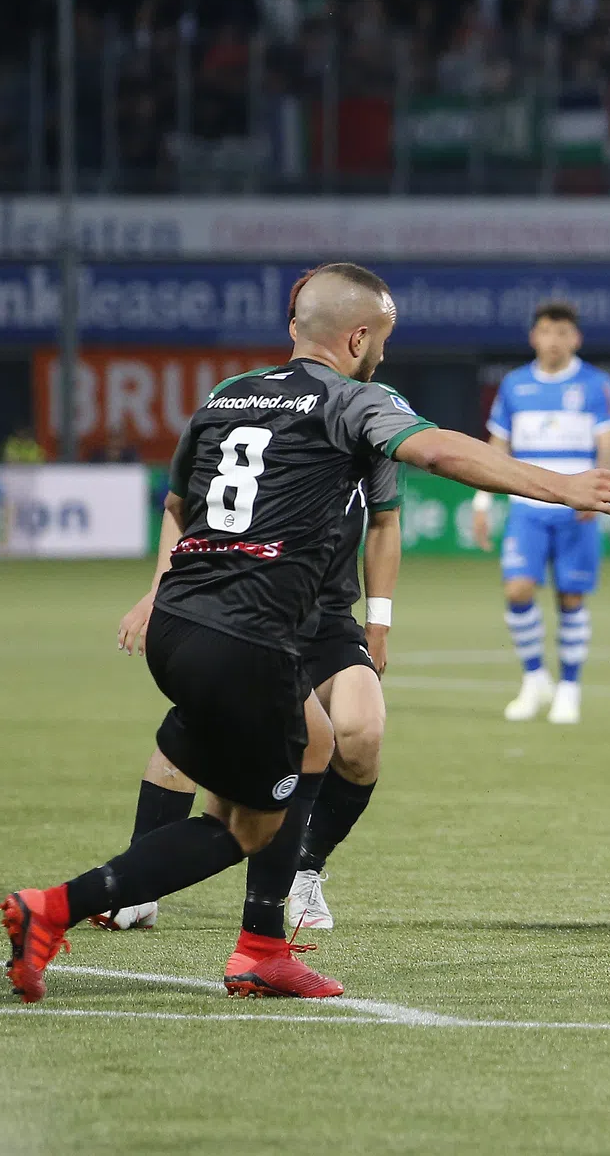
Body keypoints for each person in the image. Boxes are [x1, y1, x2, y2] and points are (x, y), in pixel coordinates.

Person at [0, 262, 610, 1004]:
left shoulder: (225, 397)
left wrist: (154, 592)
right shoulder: (351, 401)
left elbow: (179, 504)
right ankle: (58, 908)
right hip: (249, 631)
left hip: (181, 619)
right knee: (245, 824)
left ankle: (260, 947)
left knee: (316, 740)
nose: (384, 356)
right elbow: (439, 449)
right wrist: (560, 486)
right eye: (383, 342)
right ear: (359, 337)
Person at [99, 271, 405, 958]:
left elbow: (384, 519)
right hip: (249, 600)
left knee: (359, 733)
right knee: (205, 738)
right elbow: (187, 507)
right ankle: (140, 883)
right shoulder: (239, 399)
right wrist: (160, 590)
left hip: (324, 611)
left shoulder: (367, 406)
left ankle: (302, 870)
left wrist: (378, 620)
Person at [473, 302, 610, 726]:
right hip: (527, 507)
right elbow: (496, 446)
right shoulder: (515, 385)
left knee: (571, 598)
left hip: (576, 507)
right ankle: (535, 677)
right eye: (545, 331)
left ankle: (570, 688)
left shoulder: (597, 384)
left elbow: (609, 440)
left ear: (575, 339)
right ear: (533, 337)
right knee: (518, 591)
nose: (553, 340)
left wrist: (599, 489)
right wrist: (482, 501)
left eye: (562, 333)